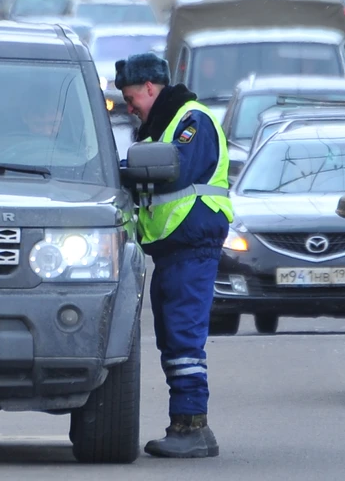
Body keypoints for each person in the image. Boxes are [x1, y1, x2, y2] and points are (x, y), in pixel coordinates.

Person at [115, 52, 233, 459]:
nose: (129, 108)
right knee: (172, 338)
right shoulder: (158, 128)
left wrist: (126, 170)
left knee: (183, 337)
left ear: (151, 87)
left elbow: (174, 170)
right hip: (171, 252)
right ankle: (184, 425)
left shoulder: (190, 120)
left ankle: (192, 428)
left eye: (132, 98)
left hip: (192, 247)